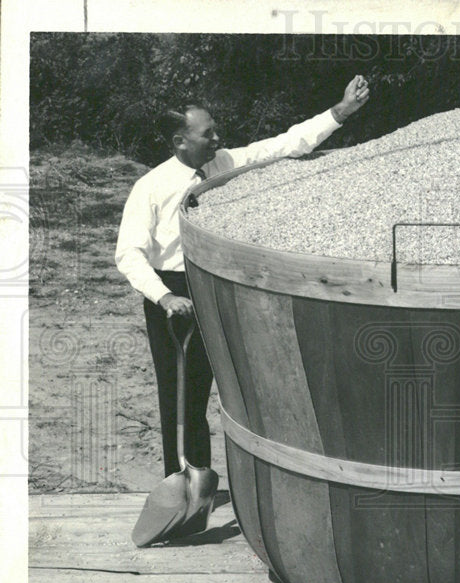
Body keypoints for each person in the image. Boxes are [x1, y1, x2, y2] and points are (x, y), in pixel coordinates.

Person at [116, 76, 370, 479]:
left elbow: (286, 144)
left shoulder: (224, 164)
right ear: (180, 141)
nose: (217, 138)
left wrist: (340, 112)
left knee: (230, 388)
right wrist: (165, 298)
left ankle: (220, 480)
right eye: (207, 133)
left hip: (216, 286)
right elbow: (129, 255)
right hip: (174, 296)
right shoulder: (150, 187)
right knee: (180, 397)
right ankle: (183, 485)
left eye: (215, 130)